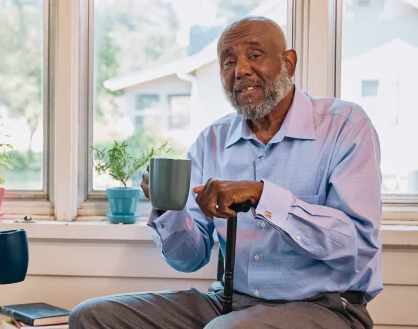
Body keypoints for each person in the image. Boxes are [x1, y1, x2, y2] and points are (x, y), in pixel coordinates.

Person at [70, 16, 381, 329]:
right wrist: (166, 205)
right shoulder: (212, 141)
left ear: (288, 63)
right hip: (229, 301)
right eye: (228, 61)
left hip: (327, 306)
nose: (241, 70)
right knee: (93, 316)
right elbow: (188, 258)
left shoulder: (345, 125)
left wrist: (263, 196)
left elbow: (356, 247)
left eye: (255, 55)